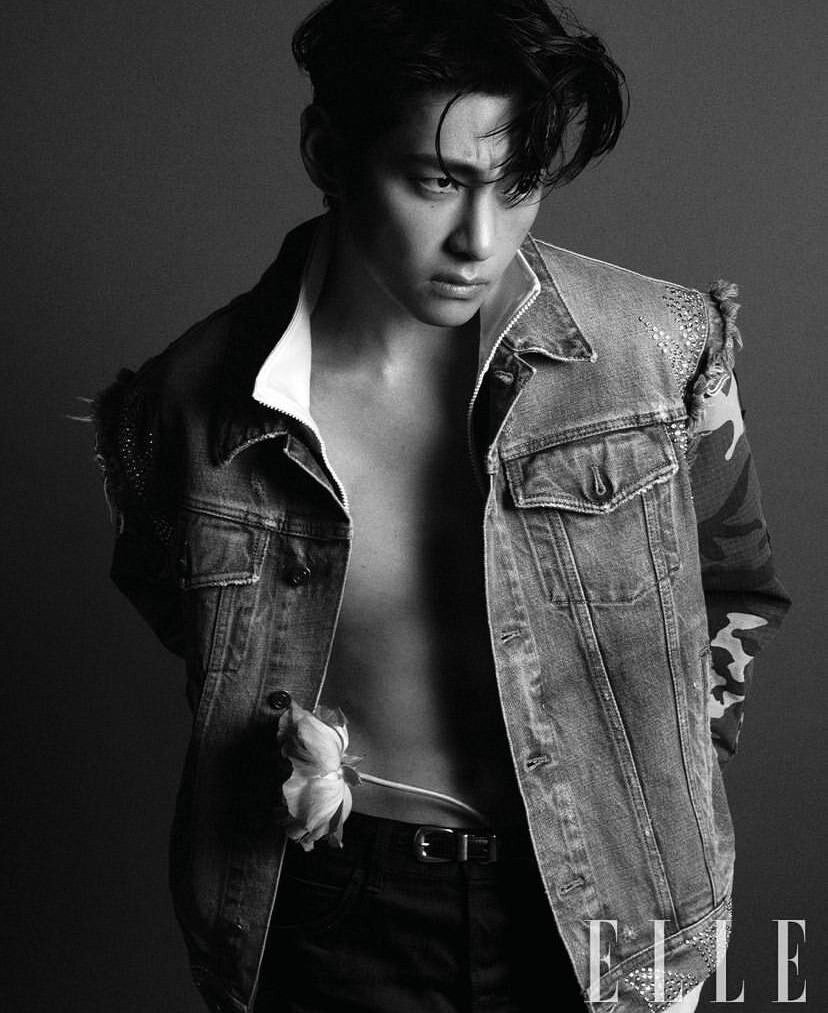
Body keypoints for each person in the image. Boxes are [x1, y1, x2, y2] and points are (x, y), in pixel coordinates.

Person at [92, 1, 790, 1010]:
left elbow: (738, 587)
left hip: (603, 905)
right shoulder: (185, 410)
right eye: (437, 181)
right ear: (329, 152)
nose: (479, 239)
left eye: (519, 186)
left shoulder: (660, 350)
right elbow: (185, 614)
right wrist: (293, 728)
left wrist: (666, 779)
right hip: (335, 912)